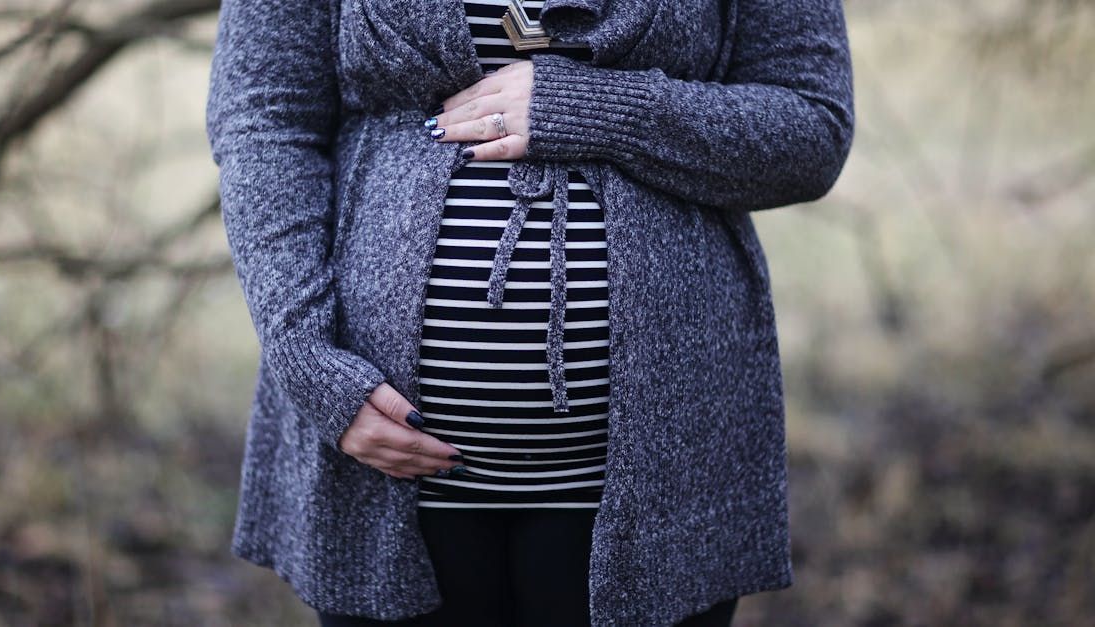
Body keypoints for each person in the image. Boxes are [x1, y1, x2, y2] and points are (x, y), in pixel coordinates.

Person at [203, 0, 854, 624]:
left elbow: (812, 124)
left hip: (661, 482)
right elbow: (263, 113)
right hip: (376, 472)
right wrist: (305, 356)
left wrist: (599, 107)